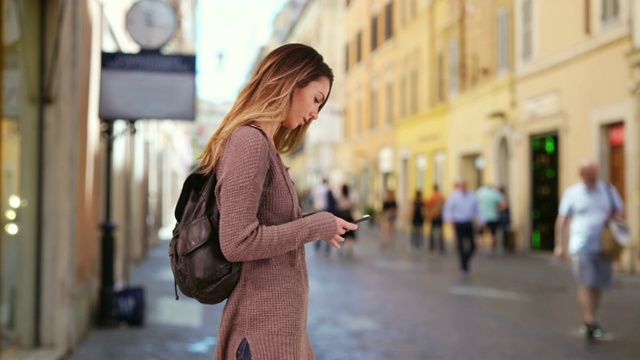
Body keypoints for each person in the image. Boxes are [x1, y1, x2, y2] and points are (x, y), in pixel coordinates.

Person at [197, 43, 358, 360]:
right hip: (262, 335)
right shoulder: (249, 142)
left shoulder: (264, 145)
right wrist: (314, 226)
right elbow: (238, 242)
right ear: (290, 81)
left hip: (280, 333)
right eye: (316, 99)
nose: (314, 113)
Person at [554, 159, 623, 340]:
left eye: (594, 173)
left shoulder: (608, 190)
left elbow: (619, 212)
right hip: (581, 245)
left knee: (597, 284)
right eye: (588, 173)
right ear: (581, 174)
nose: (592, 177)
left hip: (604, 246)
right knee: (587, 283)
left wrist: (612, 219)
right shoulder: (573, 193)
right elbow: (563, 219)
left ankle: (590, 318)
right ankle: (590, 320)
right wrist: (560, 244)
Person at [443, 179, 484, 278]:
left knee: (473, 245)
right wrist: (450, 220)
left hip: (468, 222)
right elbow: (448, 209)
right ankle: (463, 266)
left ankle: (466, 260)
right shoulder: (454, 196)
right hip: (459, 223)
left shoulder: (472, 196)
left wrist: (482, 220)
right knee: (461, 245)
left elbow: (477, 209)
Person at [475, 184, 505, 253]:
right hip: (493, 216)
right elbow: (504, 204)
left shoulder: (480, 192)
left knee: (479, 233)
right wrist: (498, 209)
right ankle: (490, 248)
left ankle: (477, 247)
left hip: (482, 217)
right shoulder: (495, 193)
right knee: (491, 234)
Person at [312, 178, 336, 254]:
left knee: (318, 227)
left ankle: (317, 244)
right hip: (326, 210)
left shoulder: (317, 189)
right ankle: (327, 247)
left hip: (317, 209)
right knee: (328, 228)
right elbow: (332, 202)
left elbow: (313, 199)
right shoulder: (328, 189)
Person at [336, 184, 357, 257]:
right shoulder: (349, 198)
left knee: (342, 233)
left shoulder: (339, 198)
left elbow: (337, 207)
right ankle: (349, 247)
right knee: (350, 233)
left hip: (342, 217)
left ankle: (341, 248)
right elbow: (352, 207)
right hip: (349, 217)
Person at [426, 184, 445, 254]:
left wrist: (428, 215)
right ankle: (441, 247)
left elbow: (428, 205)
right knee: (440, 232)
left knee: (432, 232)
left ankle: (432, 247)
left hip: (433, 216)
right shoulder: (441, 197)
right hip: (440, 216)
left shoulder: (432, 197)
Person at [497, 186, 512, 252]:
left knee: (502, 231)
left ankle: (504, 245)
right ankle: (504, 245)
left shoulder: (501, 197)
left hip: (502, 216)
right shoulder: (504, 197)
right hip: (504, 216)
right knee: (504, 231)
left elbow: (504, 206)